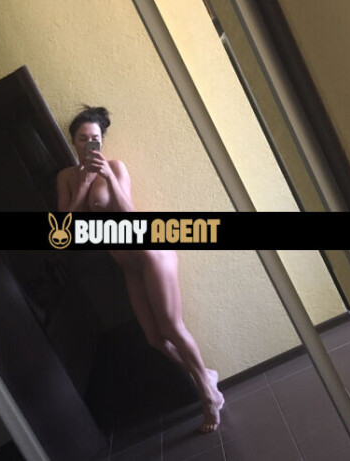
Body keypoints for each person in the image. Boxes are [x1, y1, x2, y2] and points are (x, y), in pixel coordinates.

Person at [56, 106, 224, 432]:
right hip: (128, 264)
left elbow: (129, 213)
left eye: (95, 138)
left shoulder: (116, 167)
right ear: (73, 141)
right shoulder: (66, 178)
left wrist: (106, 177)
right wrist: (84, 185)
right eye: (82, 138)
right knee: (155, 339)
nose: (89, 144)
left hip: (150, 251)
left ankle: (208, 396)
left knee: (172, 327)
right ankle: (206, 376)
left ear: (102, 140)